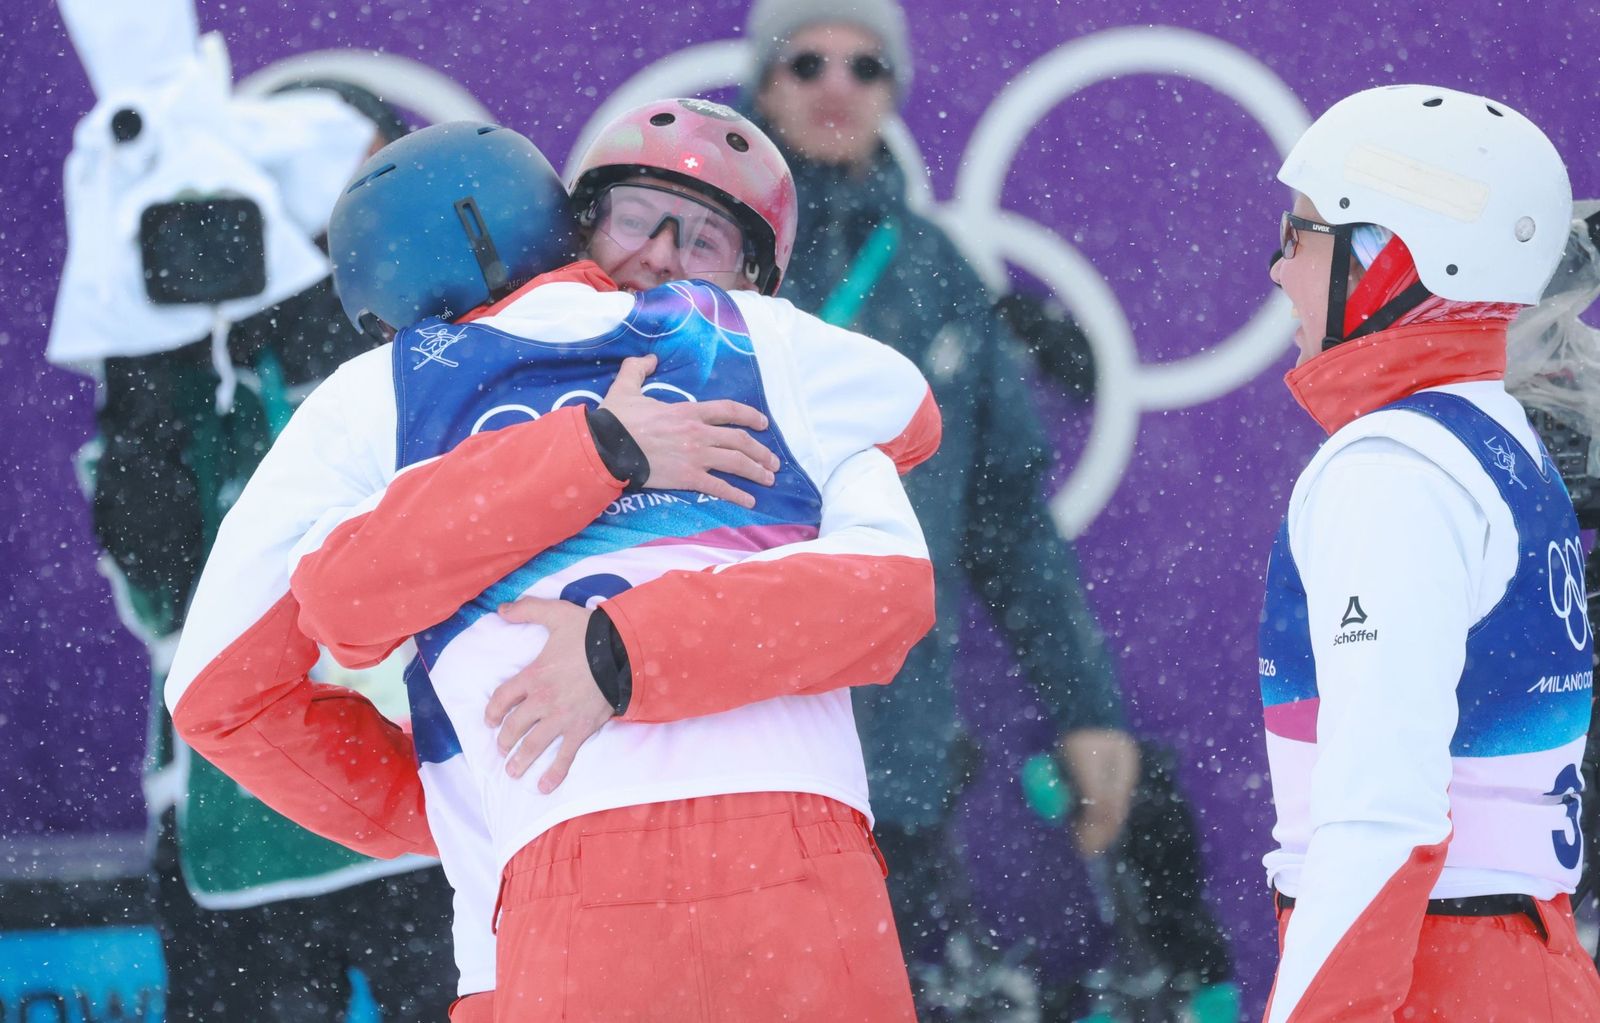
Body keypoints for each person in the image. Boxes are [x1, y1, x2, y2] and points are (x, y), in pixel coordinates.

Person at [167, 101, 944, 1021]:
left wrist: (447, 793)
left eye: (703, 243)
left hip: (543, 902)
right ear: (565, 221)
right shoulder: (770, 353)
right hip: (791, 882)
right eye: (635, 219)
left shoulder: (379, 394)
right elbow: (910, 423)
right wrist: (604, 448)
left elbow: (226, 683)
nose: (658, 258)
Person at [47, 1, 458, 1016]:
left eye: (362, 184)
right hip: (238, 815)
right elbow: (166, 592)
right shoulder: (183, 369)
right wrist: (153, 362)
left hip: (423, 793)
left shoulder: (445, 345)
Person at [741, 0, 1140, 1009]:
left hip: (894, 750)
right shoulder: (704, 260)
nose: (837, 86)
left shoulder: (933, 274)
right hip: (721, 731)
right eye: (809, 61)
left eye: (866, 66)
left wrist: (1086, 710)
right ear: (763, 82)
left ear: (894, 91)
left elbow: (1007, 522)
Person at [1258, 84, 1600, 1020]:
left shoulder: (1392, 469)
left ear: (1391, 259)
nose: (1280, 269)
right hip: (1515, 957)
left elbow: (1382, 814)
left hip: (1433, 966)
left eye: (1302, 235)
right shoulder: (1500, 435)